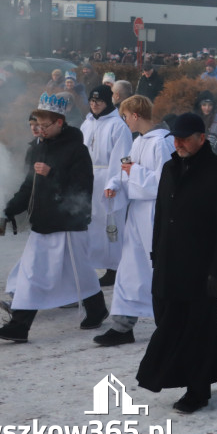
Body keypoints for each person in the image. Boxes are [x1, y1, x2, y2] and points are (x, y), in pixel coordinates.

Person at [136, 113, 217, 414]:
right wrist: (157, 253)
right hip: (169, 264)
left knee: (196, 328)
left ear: (201, 137)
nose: (178, 143)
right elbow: (161, 215)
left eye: (185, 137)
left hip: (201, 268)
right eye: (175, 137)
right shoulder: (170, 168)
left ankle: (197, 391)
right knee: (169, 321)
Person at [0, 93, 108, 343]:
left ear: (59, 123)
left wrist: (53, 173)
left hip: (69, 222)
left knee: (80, 272)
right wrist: (10, 209)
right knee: (33, 273)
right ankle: (19, 326)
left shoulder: (77, 149)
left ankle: (96, 309)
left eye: (44, 126)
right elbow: (29, 185)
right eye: (37, 125)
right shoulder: (40, 147)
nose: (39, 131)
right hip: (43, 221)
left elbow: (83, 187)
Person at [95, 95, 175, 346]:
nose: (124, 121)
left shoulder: (162, 142)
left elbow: (165, 182)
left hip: (154, 213)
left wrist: (132, 172)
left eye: (126, 116)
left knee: (158, 270)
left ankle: (172, 323)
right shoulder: (139, 141)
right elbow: (125, 168)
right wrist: (114, 184)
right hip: (137, 215)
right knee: (130, 269)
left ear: (137, 115)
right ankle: (122, 326)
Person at [81, 84, 133, 287]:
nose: (95, 105)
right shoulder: (86, 124)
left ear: (108, 101)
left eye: (99, 101)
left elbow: (122, 157)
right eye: (92, 101)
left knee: (111, 225)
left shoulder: (118, 125)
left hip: (108, 179)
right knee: (91, 223)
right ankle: (91, 263)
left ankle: (114, 267)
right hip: (88, 178)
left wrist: (114, 183)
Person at [195, 91, 217, 155]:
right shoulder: (193, 120)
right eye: (204, 105)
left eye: (210, 105)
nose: (207, 108)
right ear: (200, 106)